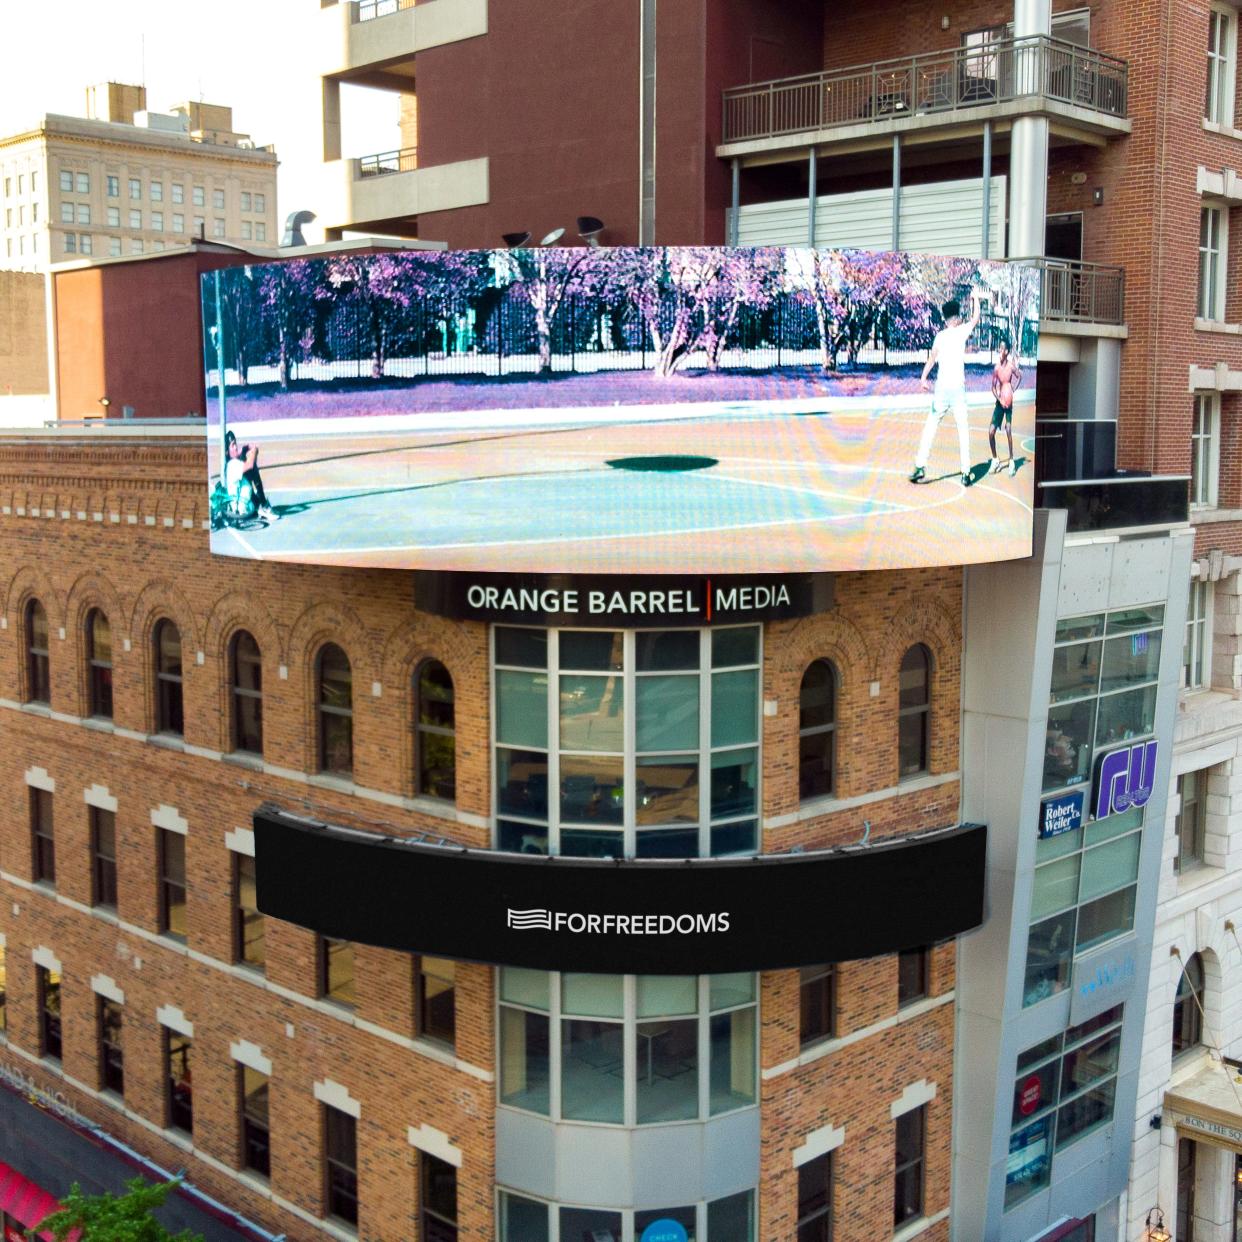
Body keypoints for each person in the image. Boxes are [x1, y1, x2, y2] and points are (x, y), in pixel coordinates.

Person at [909, 291, 983, 488]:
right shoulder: (961, 331)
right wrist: (976, 297)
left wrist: (923, 378)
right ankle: (966, 473)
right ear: (957, 317)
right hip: (957, 390)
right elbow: (976, 317)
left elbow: (932, 359)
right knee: (963, 430)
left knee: (930, 426)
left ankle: (919, 466)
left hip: (942, 389)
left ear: (944, 318)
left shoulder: (940, 336)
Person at [223, 430, 277, 522]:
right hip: (242, 509)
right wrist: (254, 451)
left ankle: (260, 503)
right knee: (253, 469)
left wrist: (245, 448)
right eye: (232, 445)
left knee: (248, 468)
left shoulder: (230, 463)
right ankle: (263, 505)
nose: (236, 447)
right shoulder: (233, 465)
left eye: (235, 443)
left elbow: (239, 454)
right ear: (227, 451)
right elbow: (250, 465)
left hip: (239, 504)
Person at [988, 342, 1022, 478]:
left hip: (1008, 403)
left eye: (1002, 348)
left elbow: (1020, 377)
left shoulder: (1011, 366)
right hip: (1000, 403)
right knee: (991, 432)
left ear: (1007, 351)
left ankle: (1012, 460)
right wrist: (999, 398)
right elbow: (993, 387)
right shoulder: (996, 368)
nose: (1000, 350)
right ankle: (995, 460)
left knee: (1008, 429)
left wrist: (1012, 390)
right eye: (999, 348)